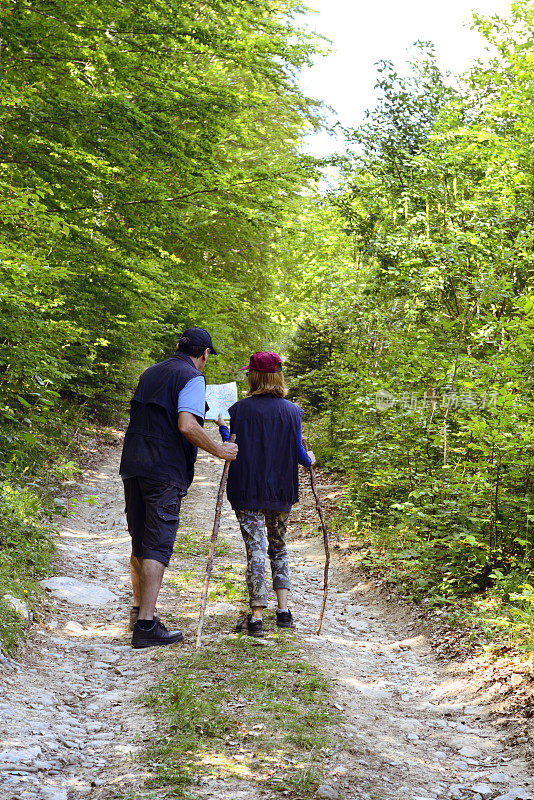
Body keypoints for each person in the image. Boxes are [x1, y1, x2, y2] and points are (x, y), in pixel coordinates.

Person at [120, 327, 238, 648]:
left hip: (133, 464)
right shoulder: (192, 378)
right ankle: (146, 625)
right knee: (157, 544)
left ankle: (137, 610)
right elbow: (187, 425)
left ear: (178, 347)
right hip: (163, 469)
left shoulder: (150, 372)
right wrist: (220, 449)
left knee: (140, 539)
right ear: (205, 355)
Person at [217, 351, 314, 637]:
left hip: (247, 489)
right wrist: (310, 458)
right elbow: (300, 456)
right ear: (278, 375)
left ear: (254, 376)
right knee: (278, 546)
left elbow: (232, 448)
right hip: (280, 490)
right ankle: (284, 612)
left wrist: (223, 429)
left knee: (256, 550)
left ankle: (257, 616)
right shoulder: (293, 411)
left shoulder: (238, 410)